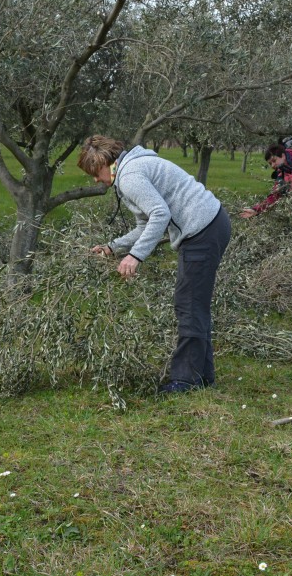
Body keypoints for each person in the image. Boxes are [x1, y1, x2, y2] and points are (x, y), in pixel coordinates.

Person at [78, 135, 232, 393]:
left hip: (202, 231)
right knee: (195, 305)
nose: (95, 179)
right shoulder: (132, 168)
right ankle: (203, 377)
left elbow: (160, 214)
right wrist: (114, 247)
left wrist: (136, 256)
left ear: (105, 162)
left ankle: (186, 381)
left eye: (95, 172)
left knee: (189, 304)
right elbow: (145, 223)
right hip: (211, 225)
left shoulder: (129, 177)